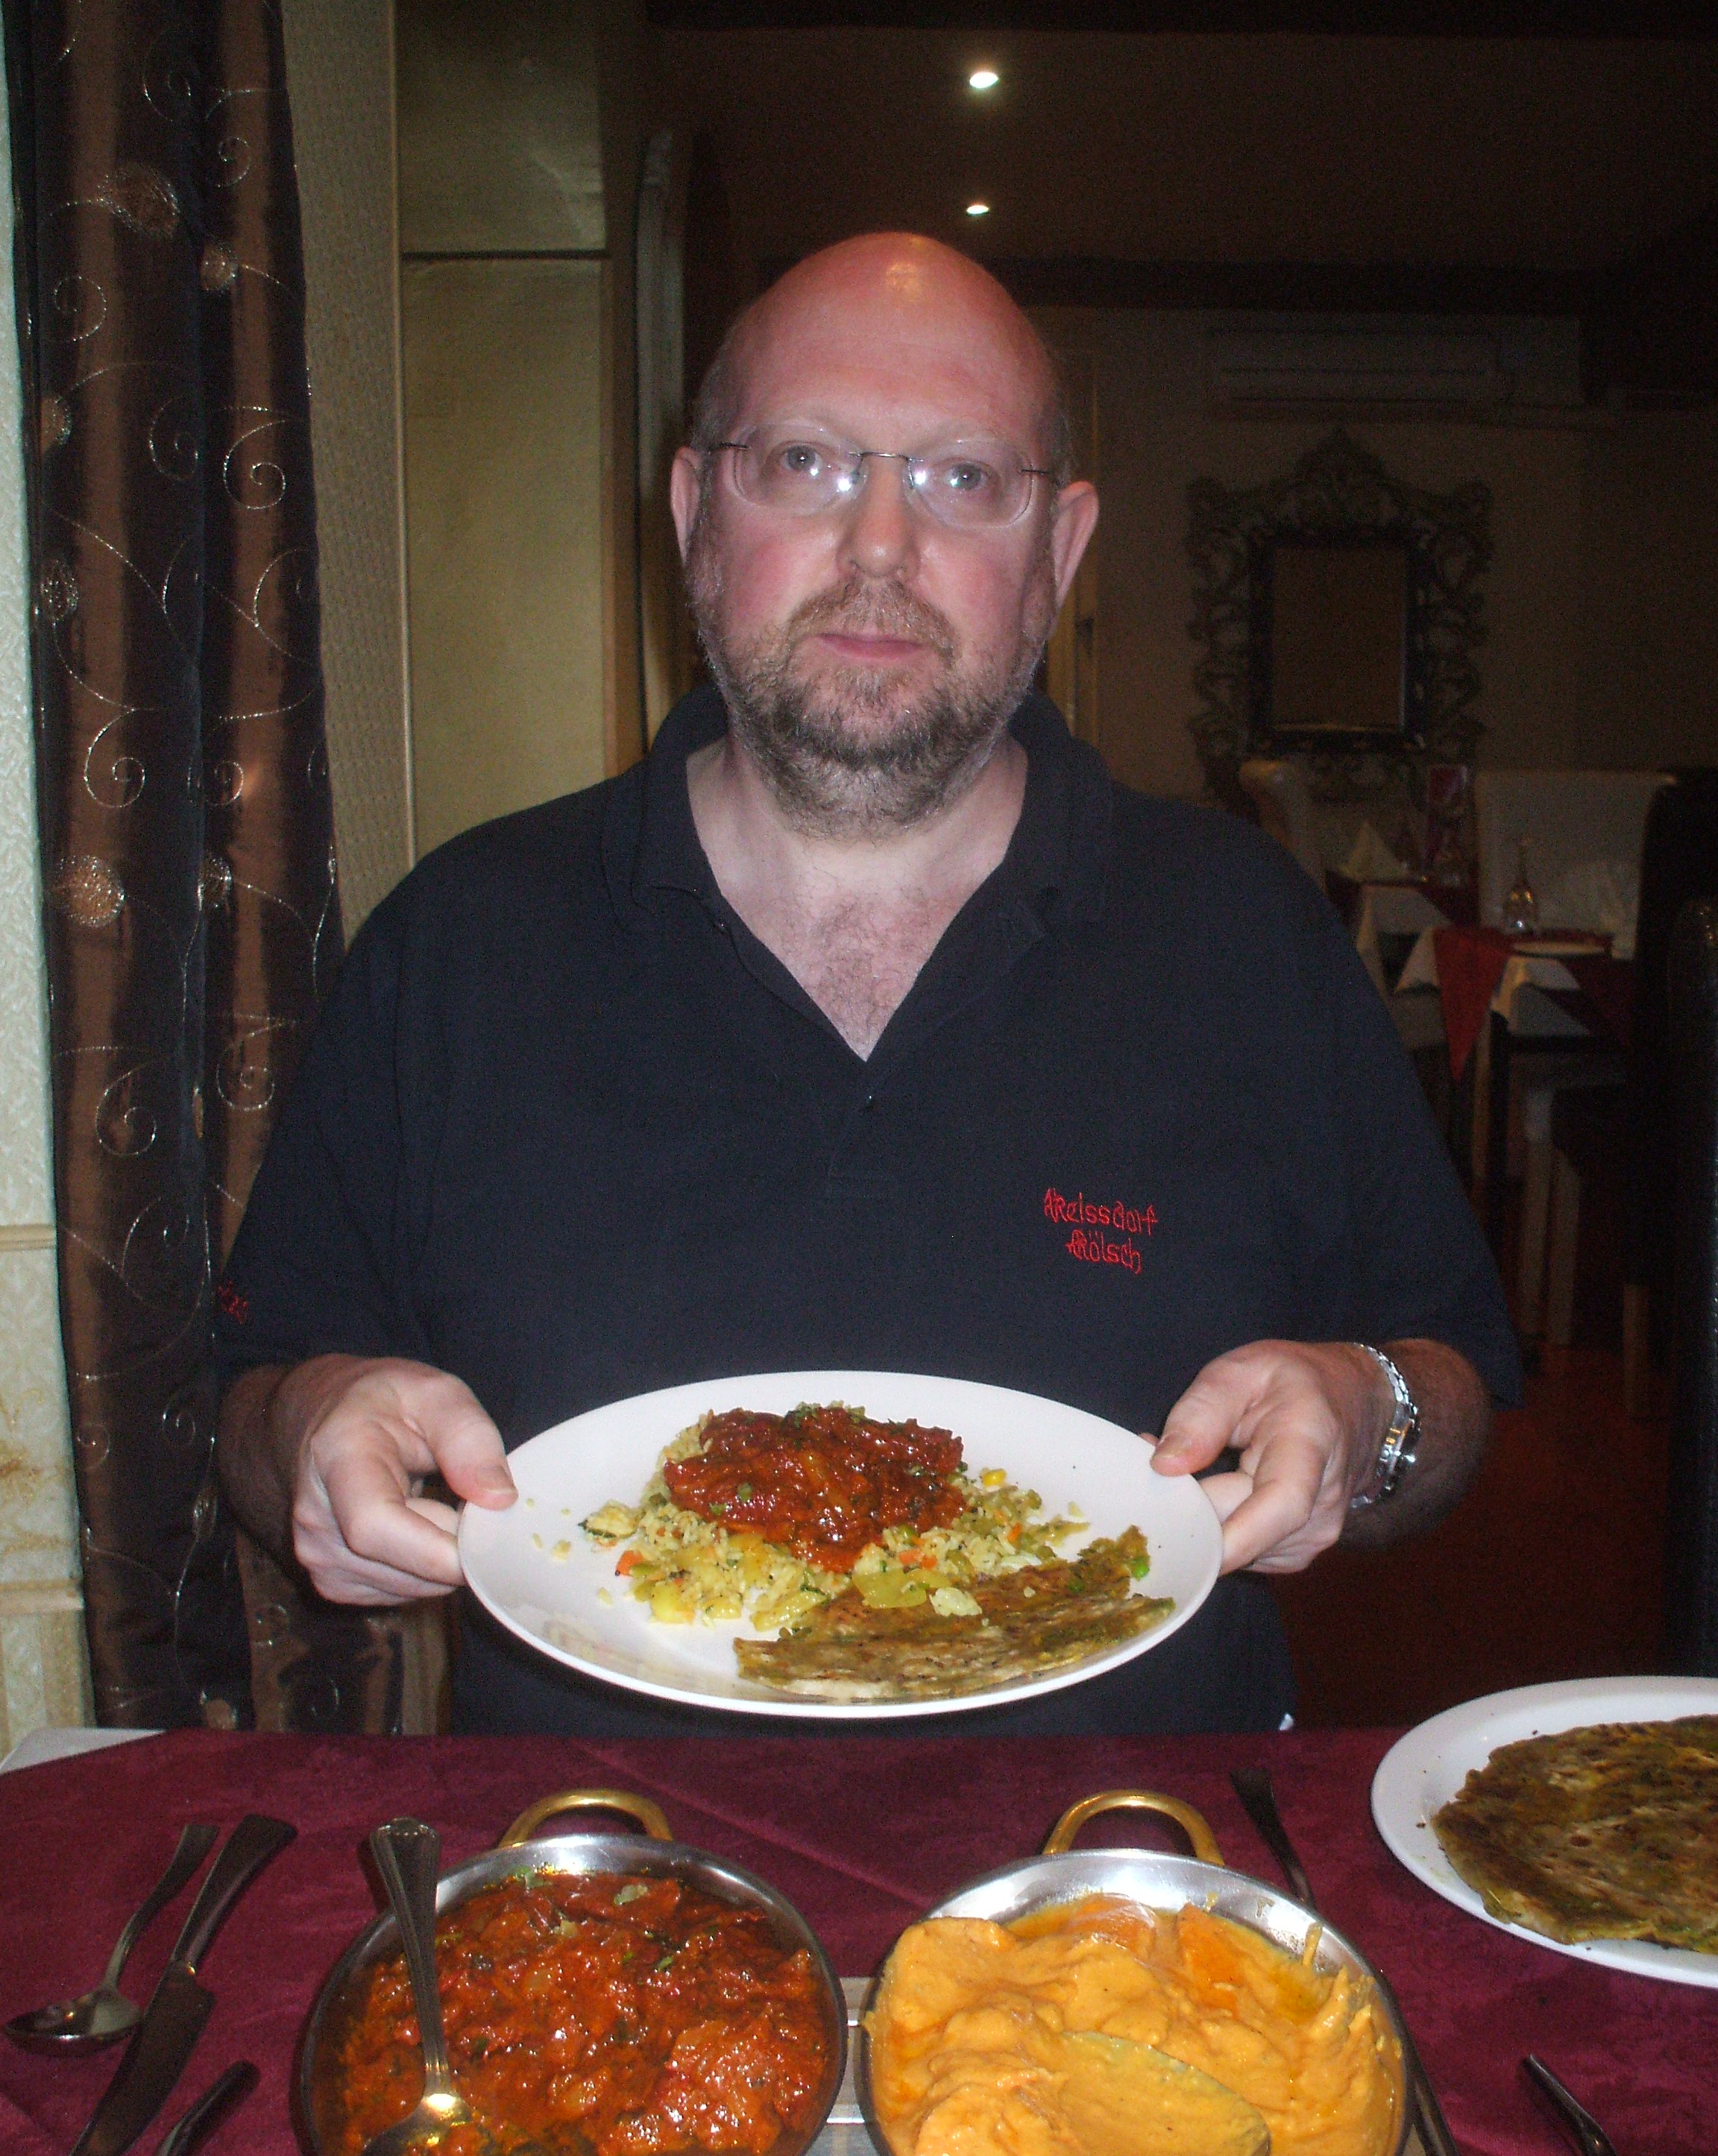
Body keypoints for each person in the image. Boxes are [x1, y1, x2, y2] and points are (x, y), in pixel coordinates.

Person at [215, 233, 1519, 1735]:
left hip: (1137, 1862)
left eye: (964, 476)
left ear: (1061, 549)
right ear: (695, 513)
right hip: (603, 1861)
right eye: (807, 462)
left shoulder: (1250, 935)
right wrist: (306, 1429)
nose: (884, 545)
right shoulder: (458, 941)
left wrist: (1367, 1414)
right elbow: (257, 1390)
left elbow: (1451, 1387)